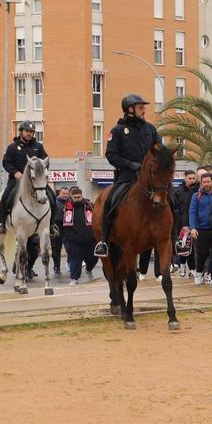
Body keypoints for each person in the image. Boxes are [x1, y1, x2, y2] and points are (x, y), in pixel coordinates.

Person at [94, 94, 160, 258]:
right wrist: (131, 164)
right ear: (130, 110)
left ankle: (174, 238)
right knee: (110, 200)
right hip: (127, 177)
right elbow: (111, 155)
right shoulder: (117, 131)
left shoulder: (150, 129)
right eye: (140, 107)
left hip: (150, 179)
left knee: (169, 200)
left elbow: (159, 149)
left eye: (143, 107)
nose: (144, 110)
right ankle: (103, 241)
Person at [0, 120, 48, 231]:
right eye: (27, 131)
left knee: (52, 197)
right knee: (5, 197)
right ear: (21, 131)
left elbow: (45, 162)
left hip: (36, 181)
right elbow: (6, 162)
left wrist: (42, 175)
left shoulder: (38, 147)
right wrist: (15, 172)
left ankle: (52, 224)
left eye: (31, 131)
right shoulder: (12, 147)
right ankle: (2, 223)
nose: (29, 133)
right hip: (17, 180)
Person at [60, 187, 98, 284]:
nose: (77, 198)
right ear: (71, 196)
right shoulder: (65, 207)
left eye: (78, 197)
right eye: (75, 197)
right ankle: (74, 278)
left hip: (90, 239)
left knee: (93, 258)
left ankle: (88, 270)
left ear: (82, 196)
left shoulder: (90, 206)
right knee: (75, 260)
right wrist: (64, 236)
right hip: (73, 240)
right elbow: (59, 222)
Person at [188, 172, 212, 285]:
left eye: (208, 181)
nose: (206, 184)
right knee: (202, 253)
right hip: (201, 229)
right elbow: (192, 212)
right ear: (201, 183)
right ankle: (199, 273)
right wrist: (193, 228)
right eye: (204, 182)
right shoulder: (196, 196)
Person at [172, 171, 197, 277]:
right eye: (190, 178)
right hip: (180, 224)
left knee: (192, 247)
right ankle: (182, 266)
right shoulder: (178, 191)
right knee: (182, 246)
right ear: (185, 178)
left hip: (192, 224)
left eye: (193, 178)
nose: (192, 180)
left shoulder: (196, 191)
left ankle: (192, 269)